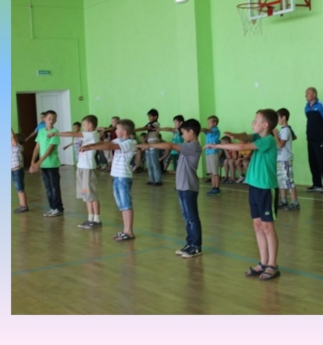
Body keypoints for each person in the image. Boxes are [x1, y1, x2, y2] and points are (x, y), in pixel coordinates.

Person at [209, 109, 281, 280]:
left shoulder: (268, 140)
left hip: (266, 188)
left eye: (256, 121)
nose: (252, 123)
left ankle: (272, 265)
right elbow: (245, 137)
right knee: (257, 226)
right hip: (254, 186)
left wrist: (218, 146)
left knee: (267, 227)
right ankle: (263, 262)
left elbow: (242, 146)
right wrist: (234, 134)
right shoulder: (257, 136)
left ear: (265, 125)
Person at [139, 119, 204, 257]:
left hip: (189, 187)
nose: (182, 135)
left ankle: (196, 246)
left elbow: (170, 145)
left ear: (191, 132)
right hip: (182, 186)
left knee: (192, 218)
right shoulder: (187, 145)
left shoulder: (193, 146)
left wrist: (150, 145)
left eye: (183, 133)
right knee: (186, 218)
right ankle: (190, 243)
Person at [81, 119, 138, 241]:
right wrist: (91, 145)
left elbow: (110, 146)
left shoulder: (130, 142)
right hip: (116, 176)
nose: (115, 131)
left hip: (123, 177)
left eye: (117, 129)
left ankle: (129, 231)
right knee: (122, 205)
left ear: (124, 132)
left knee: (126, 205)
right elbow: (105, 143)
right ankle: (125, 230)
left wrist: (90, 147)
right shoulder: (119, 140)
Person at [50, 115, 102, 228]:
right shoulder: (87, 136)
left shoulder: (92, 134)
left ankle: (97, 220)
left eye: (84, 125)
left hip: (88, 169)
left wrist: (56, 134)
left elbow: (73, 134)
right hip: (81, 168)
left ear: (90, 125)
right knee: (85, 194)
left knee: (91, 194)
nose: (82, 127)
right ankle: (90, 218)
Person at [30, 110, 63, 217]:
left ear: (56, 120)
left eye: (54, 119)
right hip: (43, 165)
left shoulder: (55, 132)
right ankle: (52, 208)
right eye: (49, 118)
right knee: (48, 188)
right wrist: (33, 162)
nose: (51, 120)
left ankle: (58, 208)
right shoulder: (41, 132)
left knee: (54, 188)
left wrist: (38, 162)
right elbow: (37, 148)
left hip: (52, 164)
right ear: (44, 119)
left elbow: (50, 149)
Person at [304, 87, 323, 192]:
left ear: (314, 94)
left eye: (308, 93)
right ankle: (317, 184)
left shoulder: (322, 105)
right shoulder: (306, 107)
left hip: (320, 139)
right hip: (310, 139)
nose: (306, 95)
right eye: (306, 93)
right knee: (313, 162)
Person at [275, 108, 299, 211]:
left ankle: (295, 202)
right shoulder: (285, 129)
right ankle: (284, 200)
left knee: (289, 181)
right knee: (281, 180)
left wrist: (275, 135)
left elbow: (281, 145)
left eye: (278, 117)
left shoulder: (286, 130)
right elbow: (294, 137)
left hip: (285, 159)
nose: (277, 120)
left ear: (284, 117)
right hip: (280, 158)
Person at [11, 129, 28, 213]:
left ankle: (23, 206)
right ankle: (22, 205)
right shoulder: (16, 148)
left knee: (20, 188)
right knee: (19, 188)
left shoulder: (17, 147)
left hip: (17, 170)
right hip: (15, 170)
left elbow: (13, 137)